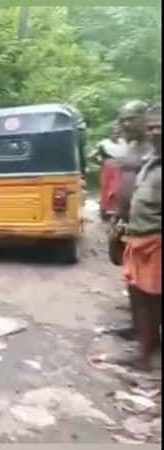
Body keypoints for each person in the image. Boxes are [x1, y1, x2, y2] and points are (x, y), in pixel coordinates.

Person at [111, 104, 161, 371]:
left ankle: (146, 351)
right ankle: (142, 336)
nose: (155, 133)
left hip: (152, 236)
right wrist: (119, 216)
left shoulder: (154, 154)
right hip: (135, 229)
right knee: (136, 288)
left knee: (149, 294)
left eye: (131, 119)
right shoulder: (148, 158)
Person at [92, 122, 127, 220]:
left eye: (118, 132)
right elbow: (91, 156)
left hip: (121, 169)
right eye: (114, 132)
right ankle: (106, 212)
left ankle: (119, 210)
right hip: (108, 170)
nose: (116, 134)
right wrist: (101, 162)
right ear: (110, 133)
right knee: (107, 190)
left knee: (119, 190)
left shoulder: (124, 143)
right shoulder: (104, 144)